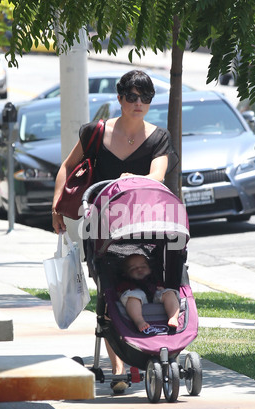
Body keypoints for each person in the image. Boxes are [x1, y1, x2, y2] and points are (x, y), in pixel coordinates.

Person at [52, 70, 178, 392]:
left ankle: (154, 346)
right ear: (120, 98)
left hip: (146, 229)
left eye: (145, 98)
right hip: (102, 229)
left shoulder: (159, 138)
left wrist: (134, 181)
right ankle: (119, 369)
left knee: (156, 283)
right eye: (132, 97)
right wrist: (57, 205)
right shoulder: (95, 133)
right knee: (108, 291)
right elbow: (67, 167)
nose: (139, 103)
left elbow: (158, 175)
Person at [118, 254, 180, 332]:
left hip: (155, 295)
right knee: (132, 297)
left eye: (143, 266)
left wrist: (162, 289)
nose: (139, 269)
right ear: (127, 273)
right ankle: (139, 321)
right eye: (133, 268)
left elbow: (161, 288)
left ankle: (173, 317)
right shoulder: (126, 282)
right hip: (137, 295)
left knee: (170, 293)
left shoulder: (154, 278)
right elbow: (119, 292)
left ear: (150, 269)